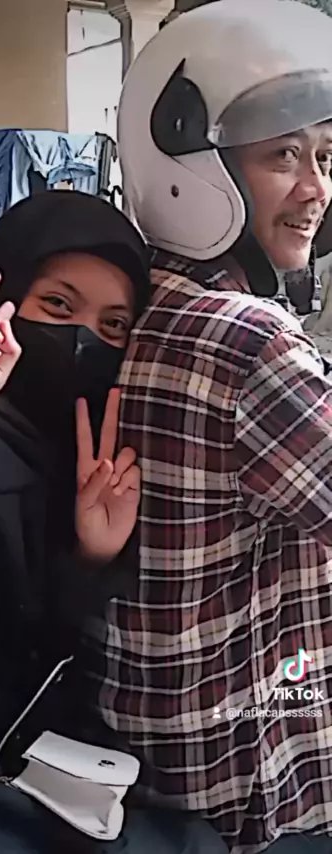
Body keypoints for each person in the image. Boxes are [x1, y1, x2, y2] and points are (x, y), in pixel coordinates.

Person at [0, 190, 226, 854]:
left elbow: (20, 632)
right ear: (2, 302)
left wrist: (89, 558)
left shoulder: (70, 449)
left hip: (8, 747)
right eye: (57, 305)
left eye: (114, 325)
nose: (84, 338)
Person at [81, 2, 332, 853]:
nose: (316, 189)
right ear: (196, 163)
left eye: (326, 156)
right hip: (244, 765)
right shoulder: (250, 341)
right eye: (282, 156)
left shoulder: (144, 298)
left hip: (149, 737)